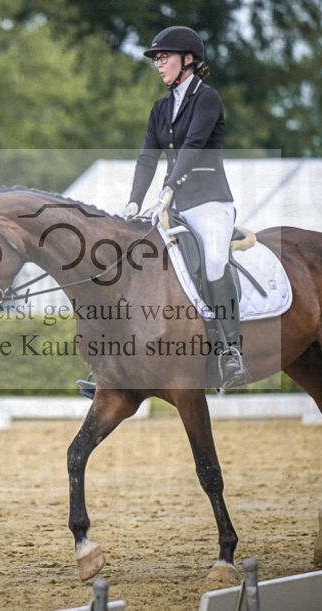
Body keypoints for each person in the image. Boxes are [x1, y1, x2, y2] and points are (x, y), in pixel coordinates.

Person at [122, 25, 249, 389]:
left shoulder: (208, 98)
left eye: (165, 57)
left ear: (188, 59)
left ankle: (229, 353)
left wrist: (166, 190)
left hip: (211, 203)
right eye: (157, 59)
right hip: (174, 206)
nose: (159, 64)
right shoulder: (160, 108)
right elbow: (147, 157)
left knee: (212, 263)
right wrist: (133, 200)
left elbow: (194, 147)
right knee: (142, 260)